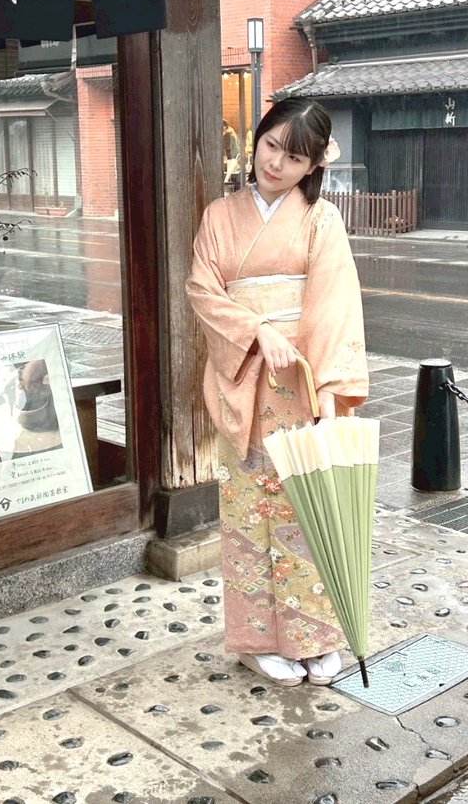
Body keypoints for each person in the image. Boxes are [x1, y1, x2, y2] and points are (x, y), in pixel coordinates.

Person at [187, 98, 369, 688]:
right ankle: (256, 641)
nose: (275, 163)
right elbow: (202, 290)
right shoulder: (219, 216)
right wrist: (256, 331)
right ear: (257, 139)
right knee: (248, 517)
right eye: (270, 145)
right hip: (243, 384)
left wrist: (331, 396)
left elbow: (334, 308)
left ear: (313, 165)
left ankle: (315, 637)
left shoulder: (321, 221)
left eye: (293, 157)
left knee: (308, 511)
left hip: (303, 386)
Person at [222, 119, 241, 186]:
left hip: (232, 159)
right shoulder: (231, 133)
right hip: (233, 159)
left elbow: (232, 149)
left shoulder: (228, 135)